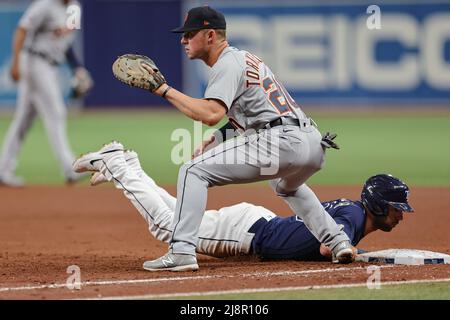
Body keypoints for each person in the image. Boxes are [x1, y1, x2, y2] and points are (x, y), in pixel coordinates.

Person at [115, 5, 357, 270]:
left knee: (192, 171)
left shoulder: (226, 63)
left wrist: (163, 90)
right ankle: (338, 242)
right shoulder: (245, 59)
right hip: (312, 143)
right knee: (286, 186)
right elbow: (252, 111)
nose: (183, 39)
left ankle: (182, 251)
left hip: (281, 140)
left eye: (190, 33)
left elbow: (210, 113)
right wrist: (218, 138)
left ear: (210, 36)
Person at [73, 142, 414, 264]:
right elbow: (329, 249)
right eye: (398, 208)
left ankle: (129, 165)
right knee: (167, 227)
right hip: (247, 233)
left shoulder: (351, 210)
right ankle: (118, 164)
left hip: (254, 223)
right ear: (380, 204)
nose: (401, 216)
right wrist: (350, 251)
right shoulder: (353, 218)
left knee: (177, 215)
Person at [0, 0, 91, 187]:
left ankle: (3, 170)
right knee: (56, 112)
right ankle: (69, 168)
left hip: (51, 65)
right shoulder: (45, 5)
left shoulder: (75, 8)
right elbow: (21, 30)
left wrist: (77, 69)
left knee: (24, 119)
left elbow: (67, 42)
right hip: (34, 61)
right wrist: (16, 62)